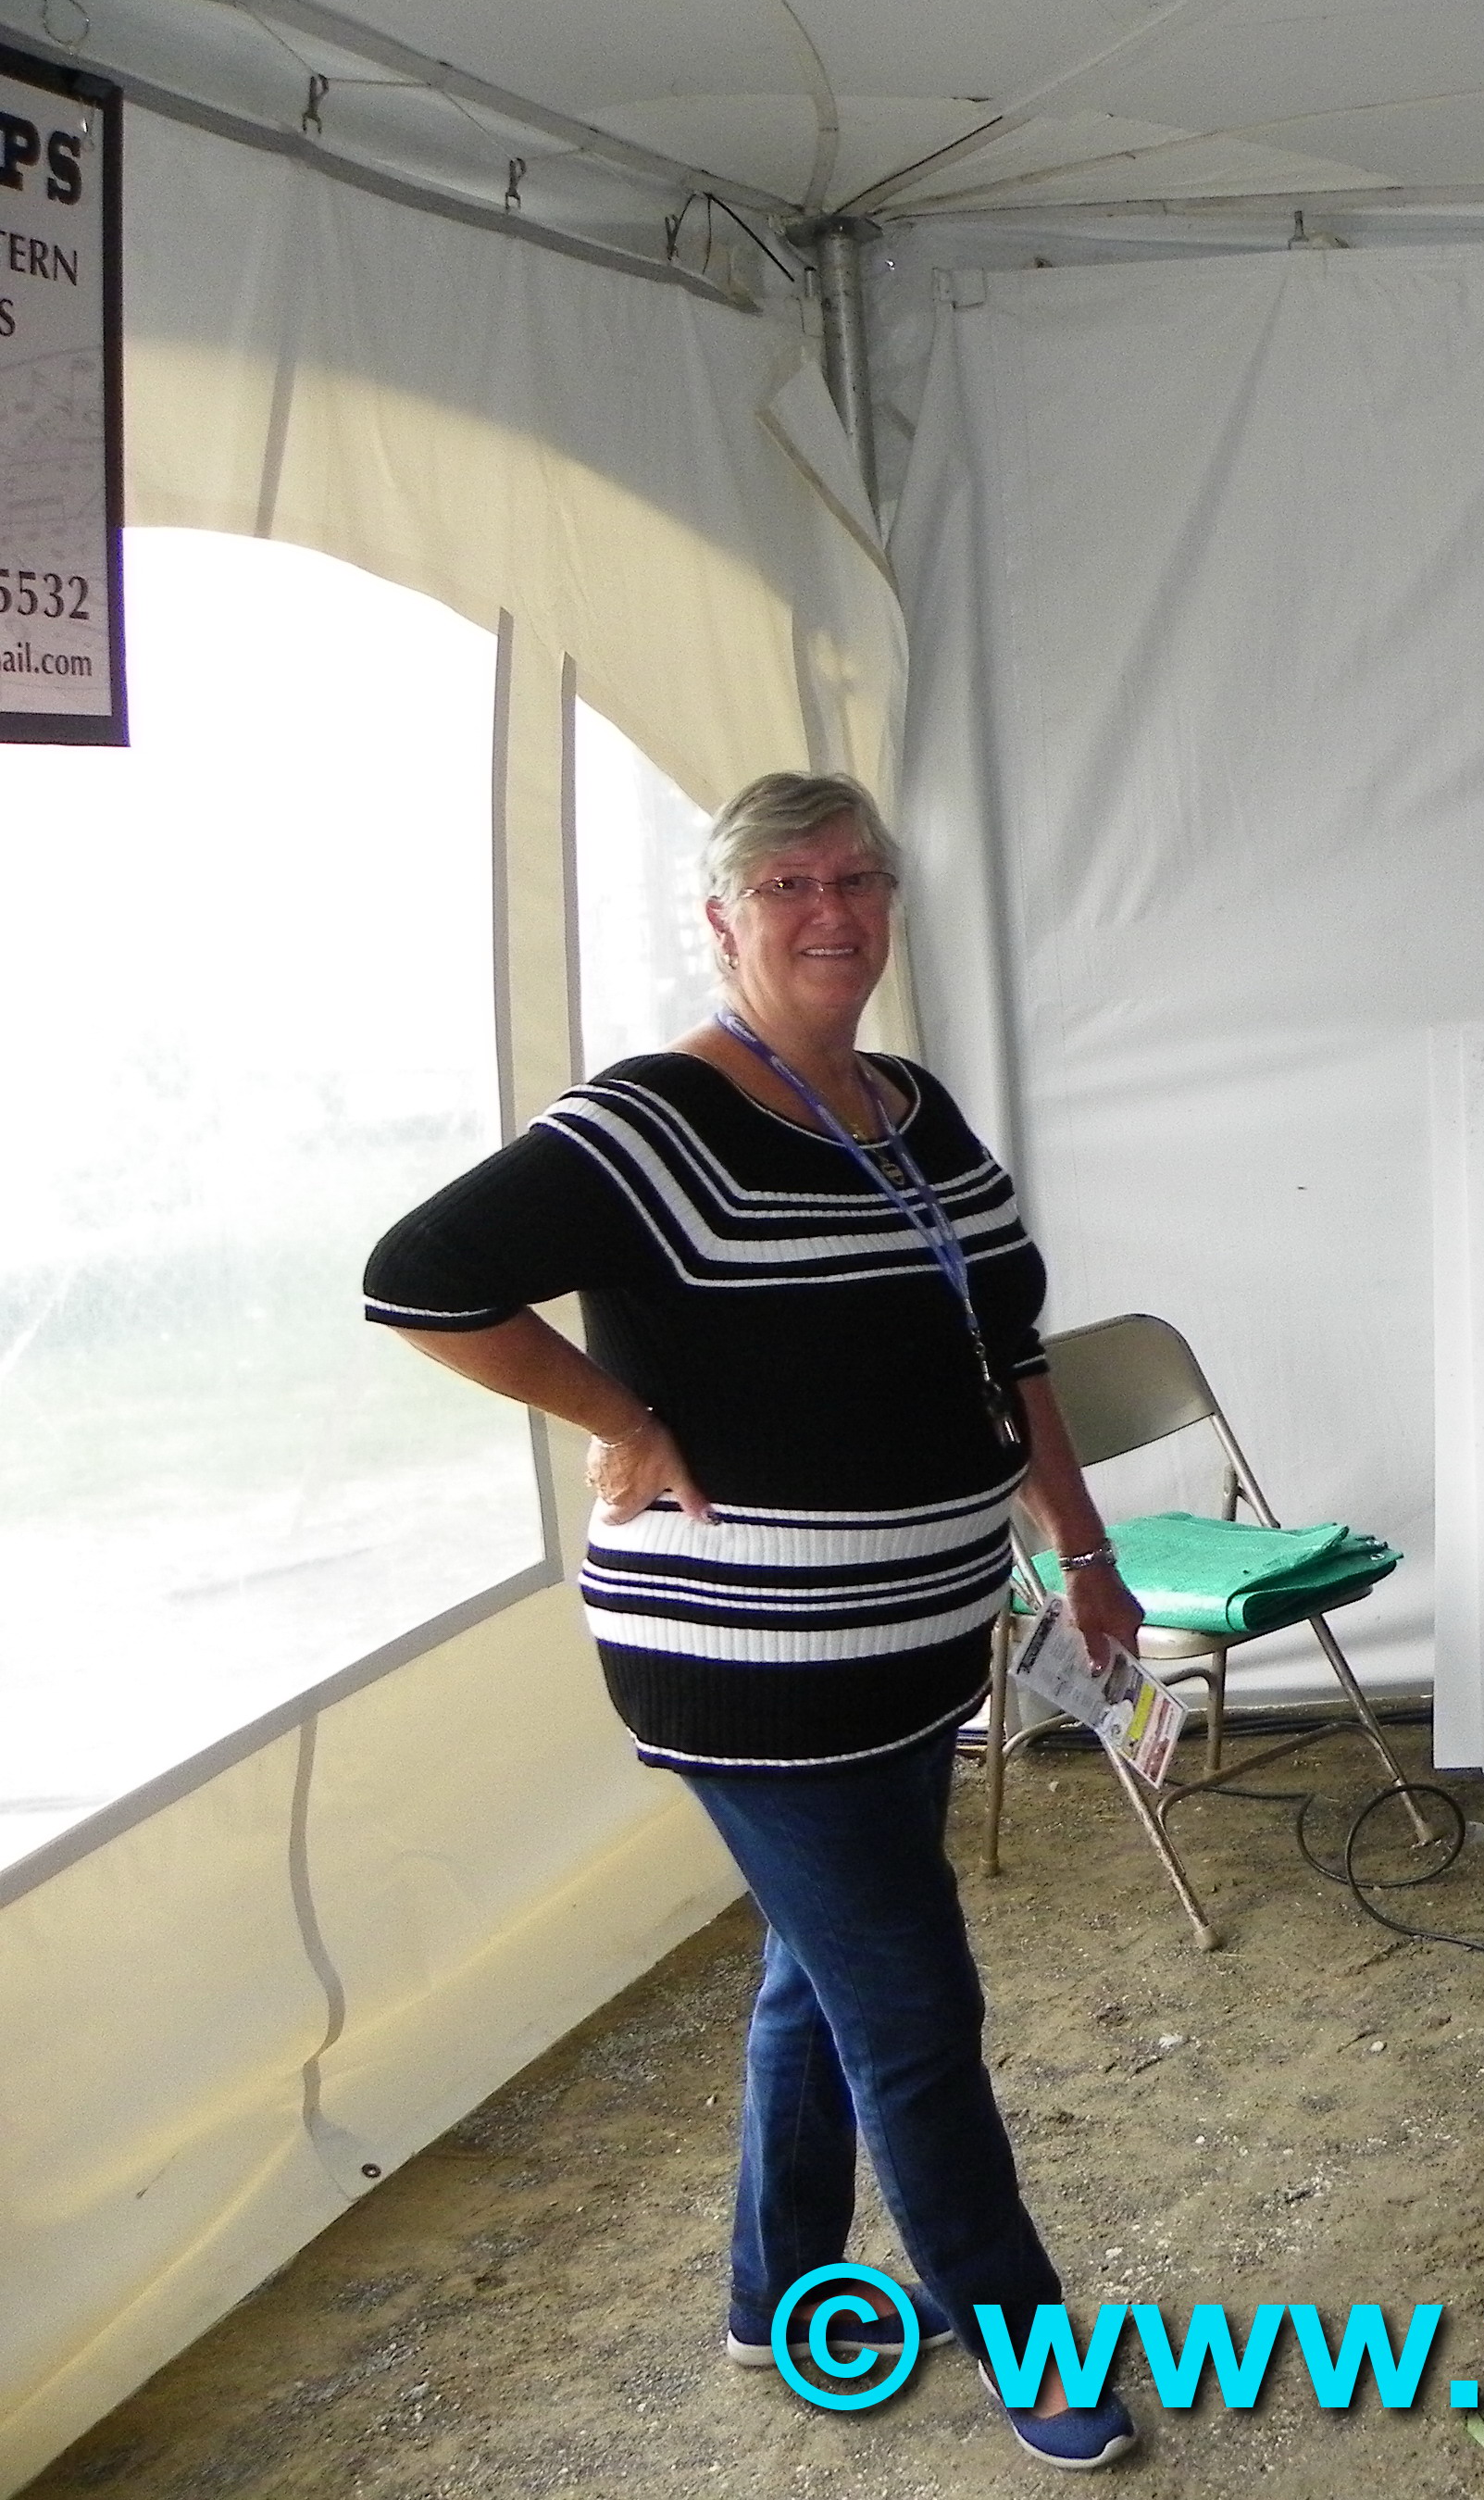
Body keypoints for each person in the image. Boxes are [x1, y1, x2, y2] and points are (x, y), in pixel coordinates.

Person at [364, 771, 1142, 2471]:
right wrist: (623, 1421)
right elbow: (418, 1278)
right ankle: (1023, 2334)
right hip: (753, 1664)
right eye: (788, 885)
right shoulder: (655, 1120)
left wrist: (1080, 1550)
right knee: (911, 2003)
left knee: (822, 1964)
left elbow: (1007, 1348)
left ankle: (776, 2290)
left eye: (857, 879)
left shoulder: (913, 1109)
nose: (831, 912)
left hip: (917, 1643)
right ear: (721, 921)